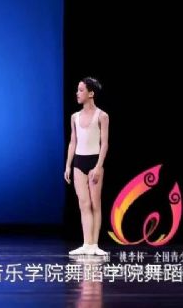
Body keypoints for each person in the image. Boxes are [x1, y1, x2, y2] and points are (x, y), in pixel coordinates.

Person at [65, 77, 110, 256]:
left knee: (95, 204)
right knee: (84, 204)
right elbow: (73, 142)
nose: (77, 93)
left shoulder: (102, 116)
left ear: (91, 93)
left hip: (94, 161)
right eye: (78, 90)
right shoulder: (74, 117)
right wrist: (68, 165)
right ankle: (86, 243)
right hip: (79, 162)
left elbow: (104, 143)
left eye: (81, 90)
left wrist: (99, 166)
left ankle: (95, 245)